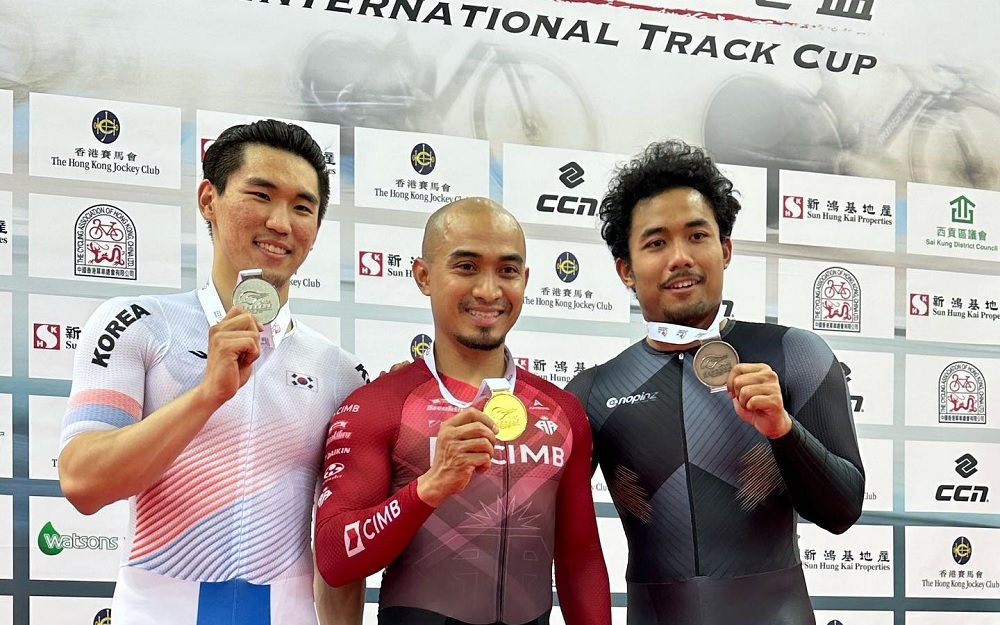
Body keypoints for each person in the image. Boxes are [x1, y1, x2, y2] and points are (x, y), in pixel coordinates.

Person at [58, 119, 369, 625]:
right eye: (260, 195)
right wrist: (206, 394)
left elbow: (344, 546)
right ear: (209, 199)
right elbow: (82, 483)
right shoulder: (138, 325)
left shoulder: (339, 372)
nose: (281, 222)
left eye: (302, 207)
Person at [565, 139, 865, 625]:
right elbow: (543, 529)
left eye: (697, 236)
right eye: (656, 242)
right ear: (625, 270)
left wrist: (783, 430)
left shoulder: (794, 355)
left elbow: (843, 511)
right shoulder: (592, 393)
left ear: (725, 249)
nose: (679, 257)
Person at [313, 197, 612, 625]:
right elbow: (334, 556)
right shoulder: (378, 404)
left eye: (507, 271)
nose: (488, 290)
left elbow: (578, 557)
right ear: (423, 275)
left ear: (525, 280)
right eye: (466, 267)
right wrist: (429, 488)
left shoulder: (561, 410)